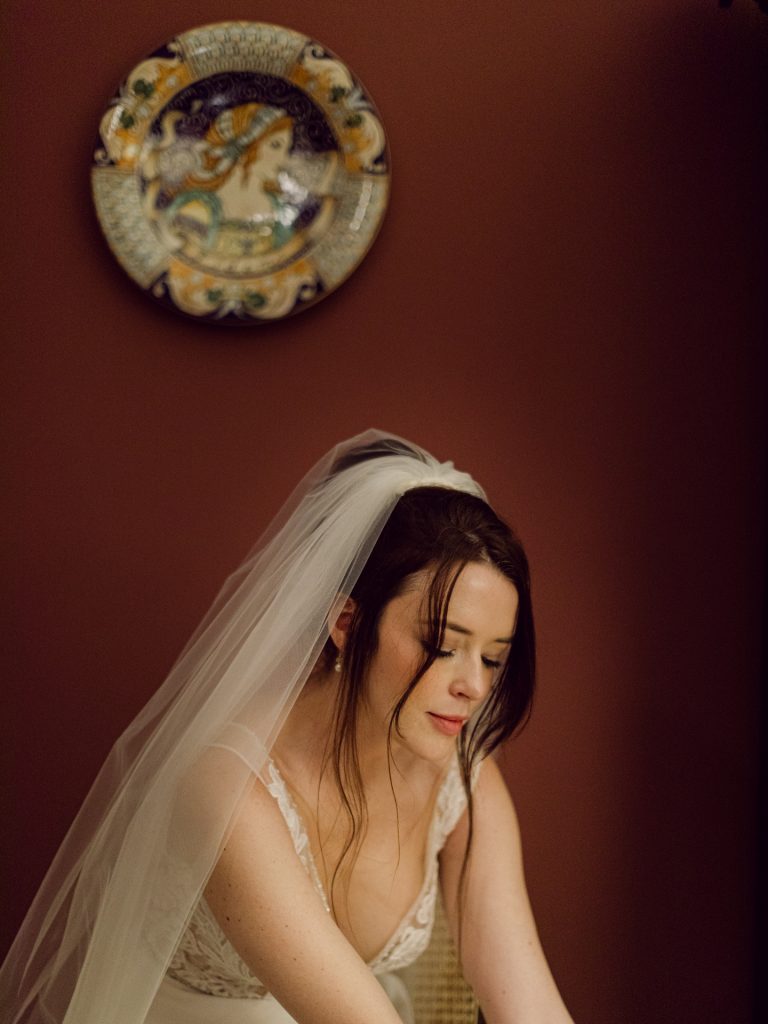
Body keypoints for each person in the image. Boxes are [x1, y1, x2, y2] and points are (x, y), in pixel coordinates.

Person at [0, 431, 575, 1024]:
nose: (474, 687)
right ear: (348, 624)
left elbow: (530, 1003)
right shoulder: (228, 791)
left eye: (492, 658)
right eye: (442, 646)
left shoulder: (464, 779)